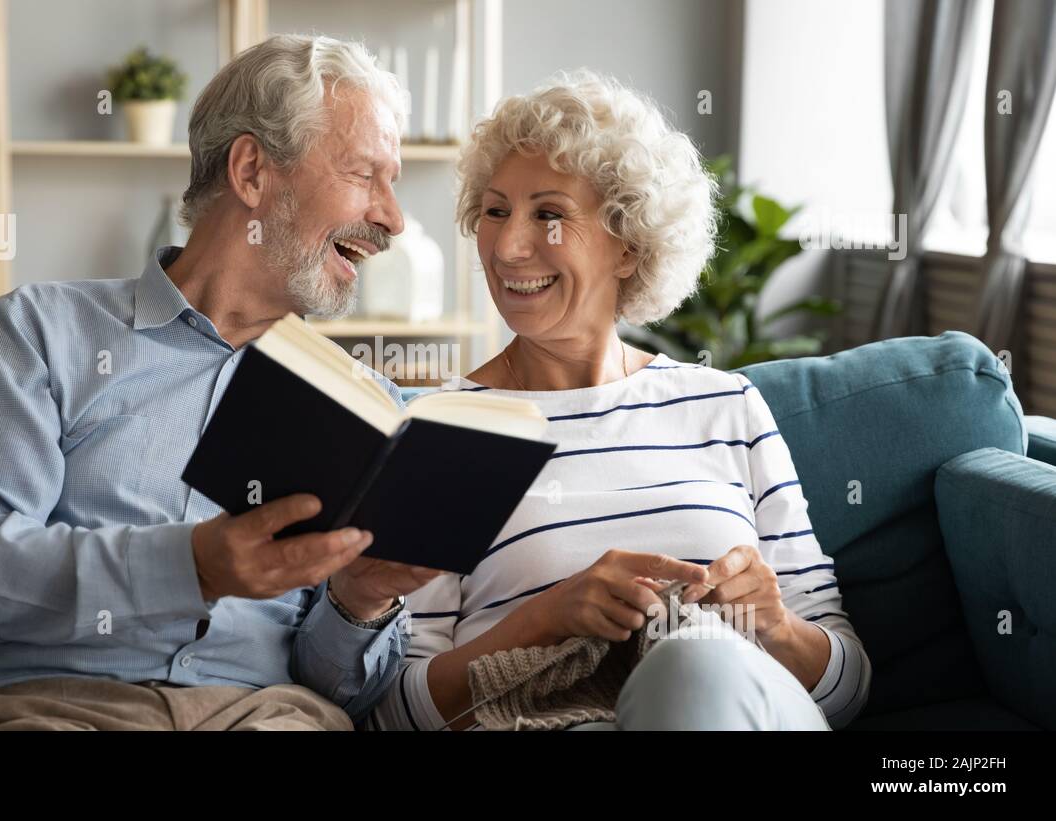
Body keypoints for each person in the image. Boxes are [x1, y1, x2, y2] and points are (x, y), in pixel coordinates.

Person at [0, 35, 439, 731]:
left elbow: (337, 687)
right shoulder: (38, 331)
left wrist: (357, 602)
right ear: (252, 171)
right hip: (54, 707)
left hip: (263, 716)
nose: (392, 218)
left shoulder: (356, 403)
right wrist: (189, 567)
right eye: (365, 174)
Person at [371, 70, 871, 731]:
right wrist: (546, 618)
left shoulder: (727, 406)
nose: (509, 246)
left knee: (695, 664)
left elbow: (846, 689)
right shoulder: (442, 432)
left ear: (629, 246)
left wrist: (773, 625)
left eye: (548, 213)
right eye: (495, 211)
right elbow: (395, 713)